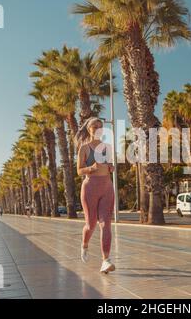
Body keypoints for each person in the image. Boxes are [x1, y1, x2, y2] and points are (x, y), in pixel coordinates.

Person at [75, 117, 116, 274]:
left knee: (106, 224)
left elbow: (110, 165)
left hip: (107, 187)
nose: (98, 128)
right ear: (88, 129)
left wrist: (111, 167)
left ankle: (106, 260)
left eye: (100, 126)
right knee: (91, 224)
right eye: (95, 126)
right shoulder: (84, 148)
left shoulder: (108, 148)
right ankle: (84, 244)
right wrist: (90, 168)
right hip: (90, 187)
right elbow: (79, 170)